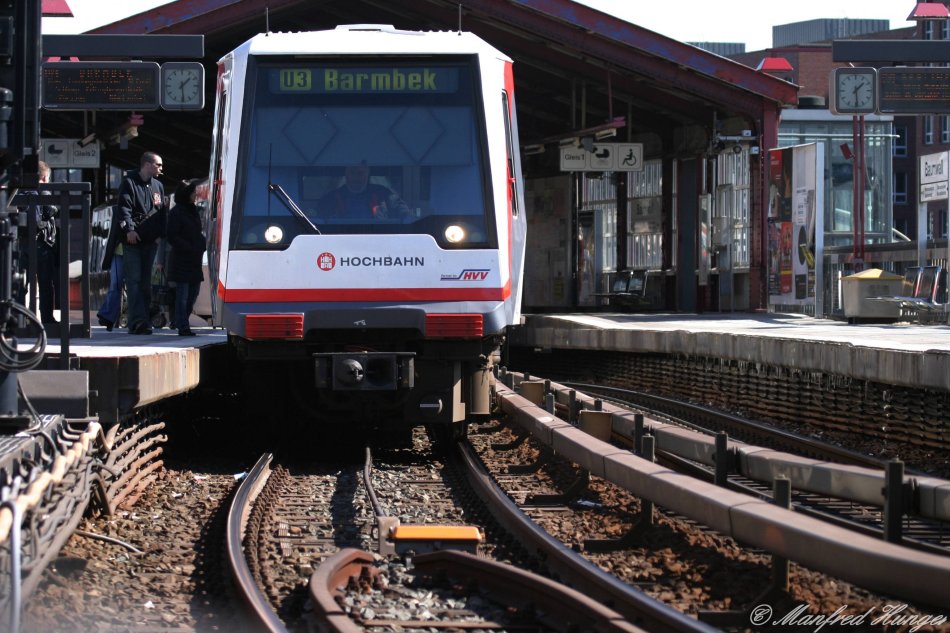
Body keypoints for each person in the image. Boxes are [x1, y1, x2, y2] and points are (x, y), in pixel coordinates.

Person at [114, 151, 166, 335]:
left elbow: (161, 212)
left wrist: (161, 233)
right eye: (158, 165)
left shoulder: (158, 186)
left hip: (150, 241)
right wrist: (129, 230)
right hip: (133, 241)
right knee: (134, 280)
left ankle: (143, 320)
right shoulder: (129, 183)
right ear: (147, 164)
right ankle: (137, 322)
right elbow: (123, 209)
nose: (161, 168)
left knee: (145, 283)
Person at [166, 179, 206, 336]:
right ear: (186, 194)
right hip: (182, 259)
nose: (195, 195)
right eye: (193, 193)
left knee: (193, 293)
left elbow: (197, 232)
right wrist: (188, 247)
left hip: (194, 259)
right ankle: (183, 326)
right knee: (182, 295)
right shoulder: (176, 212)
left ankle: (182, 320)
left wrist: (201, 244)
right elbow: (172, 235)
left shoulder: (193, 210)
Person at [318, 162, 409, 219]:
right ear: (346, 173)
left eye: (360, 173)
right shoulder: (330, 199)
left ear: (367, 173)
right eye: (352, 172)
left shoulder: (384, 195)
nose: (356, 177)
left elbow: (406, 216)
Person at [33, 161, 60, 324]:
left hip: (23, 243)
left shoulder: (20, 191)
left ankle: (21, 318)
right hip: (42, 243)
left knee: (21, 283)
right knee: (46, 283)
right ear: (43, 178)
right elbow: (41, 220)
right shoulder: (41, 194)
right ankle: (47, 320)